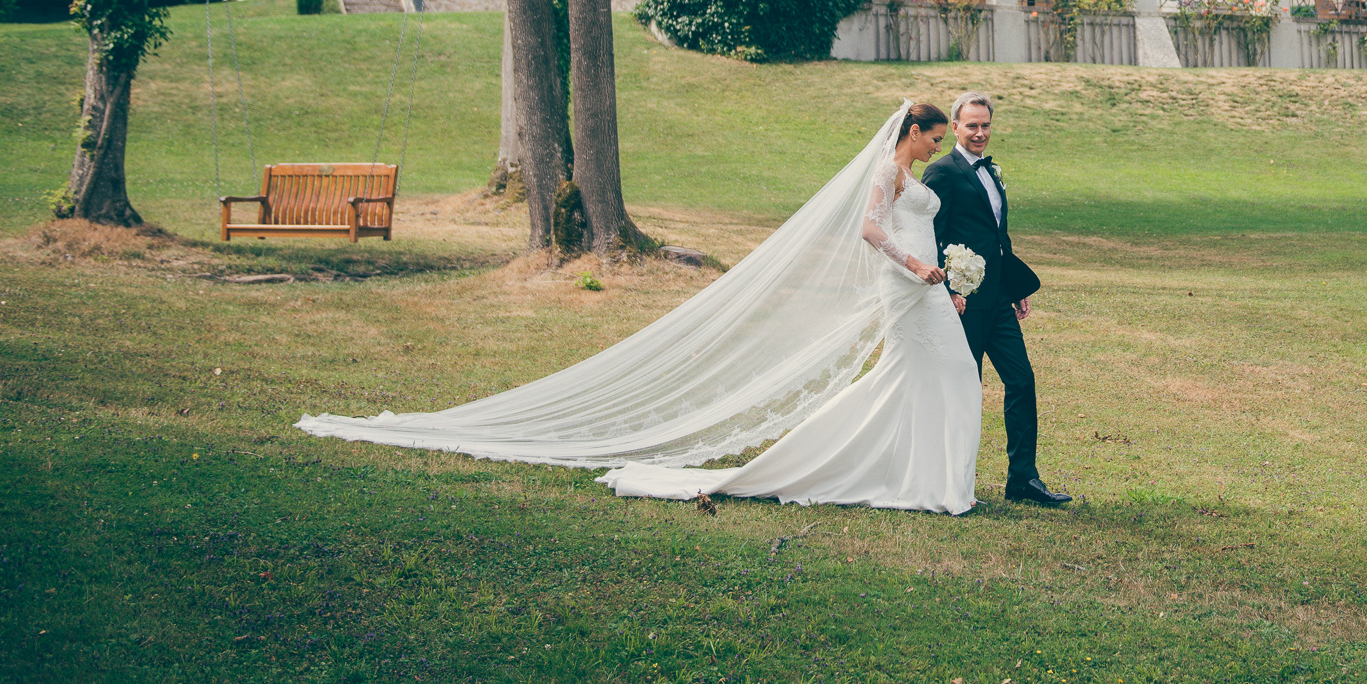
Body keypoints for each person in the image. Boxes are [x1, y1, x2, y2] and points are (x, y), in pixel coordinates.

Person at [298, 101, 983, 515]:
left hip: (926, 288)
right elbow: (868, 229)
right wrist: (917, 266)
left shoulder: (909, 174)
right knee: (941, 374)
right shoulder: (888, 171)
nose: (936, 144)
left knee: (934, 378)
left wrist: (946, 269)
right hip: (909, 286)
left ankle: (925, 477)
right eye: (932, 135)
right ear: (914, 130)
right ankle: (910, 477)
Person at [926, 91, 1069, 507]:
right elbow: (930, 236)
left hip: (999, 301)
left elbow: (997, 237)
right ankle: (954, 483)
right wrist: (948, 289)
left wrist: (1015, 287)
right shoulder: (941, 172)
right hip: (963, 304)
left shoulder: (991, 171)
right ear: (955, 127)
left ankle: (1023, 479)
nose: (980, 133)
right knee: (965, 391)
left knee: (1021, 381)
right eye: (971, 125)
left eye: (985, 125)